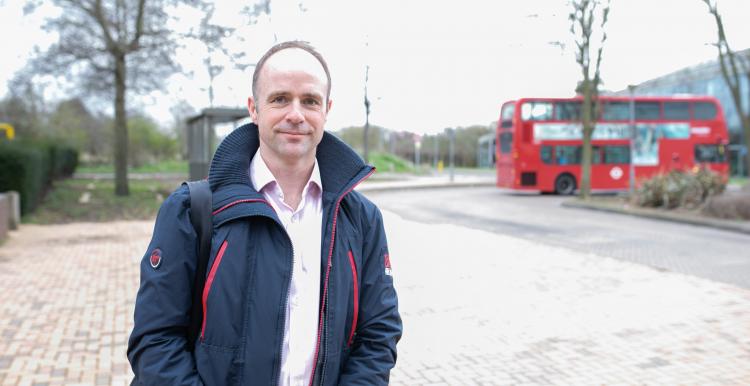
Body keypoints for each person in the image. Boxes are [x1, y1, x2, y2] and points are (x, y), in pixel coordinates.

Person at [127, 41, 402, 385]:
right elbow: (156, 340)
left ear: (326, 110)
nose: (296, 114)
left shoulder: (362, 220)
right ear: (254, 108)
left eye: (310, 101)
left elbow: (378, 335)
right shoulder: (192, 210)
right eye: (280, 98)